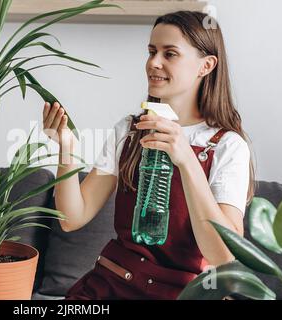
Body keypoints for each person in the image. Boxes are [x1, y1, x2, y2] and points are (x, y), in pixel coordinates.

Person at [41, 10, 254, 300]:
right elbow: (71, 218)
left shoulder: (228, 146)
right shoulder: (129, 130)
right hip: (109, 286)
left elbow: (222, 256)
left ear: (206, 65)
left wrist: (186, 159)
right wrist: (65, 147)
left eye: (170, 54)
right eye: (152, 51)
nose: (154, 63)